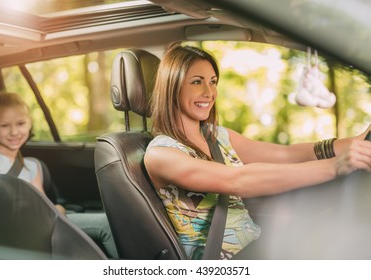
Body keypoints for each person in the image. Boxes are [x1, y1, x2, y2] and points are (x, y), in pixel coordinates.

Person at [143, 44, 371, 260]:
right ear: (172, 87)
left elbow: (287, 155)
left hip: (256, 245)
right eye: (196, 82)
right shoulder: (161, 154)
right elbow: (237, 180)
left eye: (213, 82)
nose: (209, 92)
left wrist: (359, 141)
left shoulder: (217, 136)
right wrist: (334, 167)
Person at [0, 92, 117, 259]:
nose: (14, 131)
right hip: (7, 230)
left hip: (39, 224)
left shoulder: (32, 166)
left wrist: (57, 209)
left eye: (21, 123)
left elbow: (42, 204)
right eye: (4, 126)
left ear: (30, 123)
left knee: (108, 224)